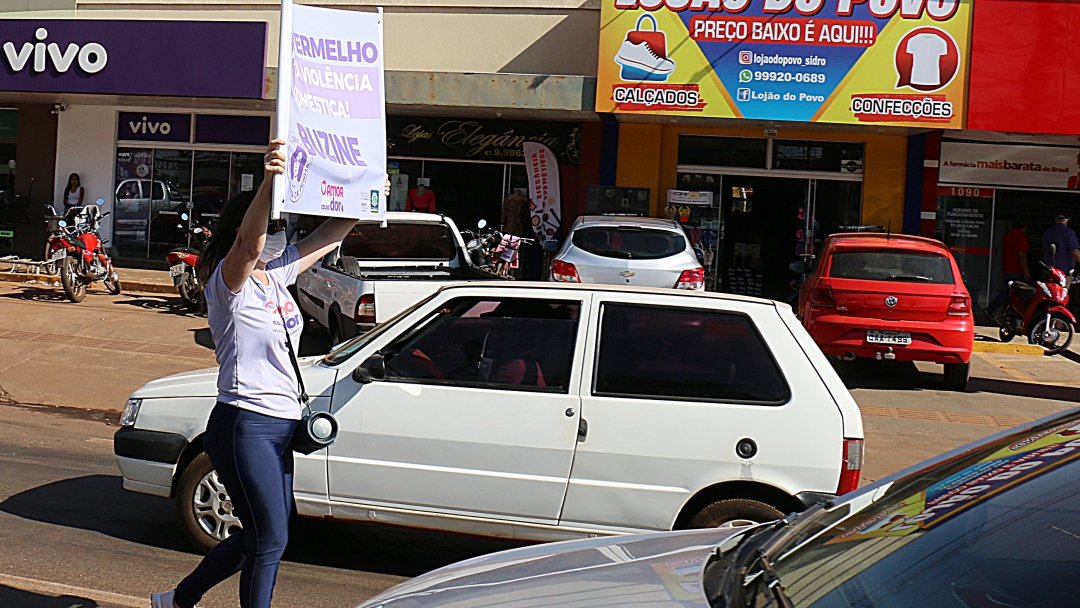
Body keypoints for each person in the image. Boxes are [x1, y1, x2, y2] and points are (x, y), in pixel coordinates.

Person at [151, 140, 362, 608]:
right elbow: (249, 242)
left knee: (264, 535)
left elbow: (329, 237)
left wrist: (365, 195)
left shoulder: (276, 274)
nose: (281, 236)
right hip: (244, 422)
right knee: (271, 539)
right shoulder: (230, 280)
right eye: (275, 226)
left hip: (280, 425)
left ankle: (177, 600)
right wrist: (270, 180)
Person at [986, 217, 1030, 317]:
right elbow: (1022, 255)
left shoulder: (1007, 236)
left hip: (1007, 267)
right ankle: (995, 309)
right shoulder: (1021, 238)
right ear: (1025, 227)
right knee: (1020, 293)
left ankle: (1004, 311)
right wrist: (1026, 271)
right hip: (1017, 270)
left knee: (1008, 291)